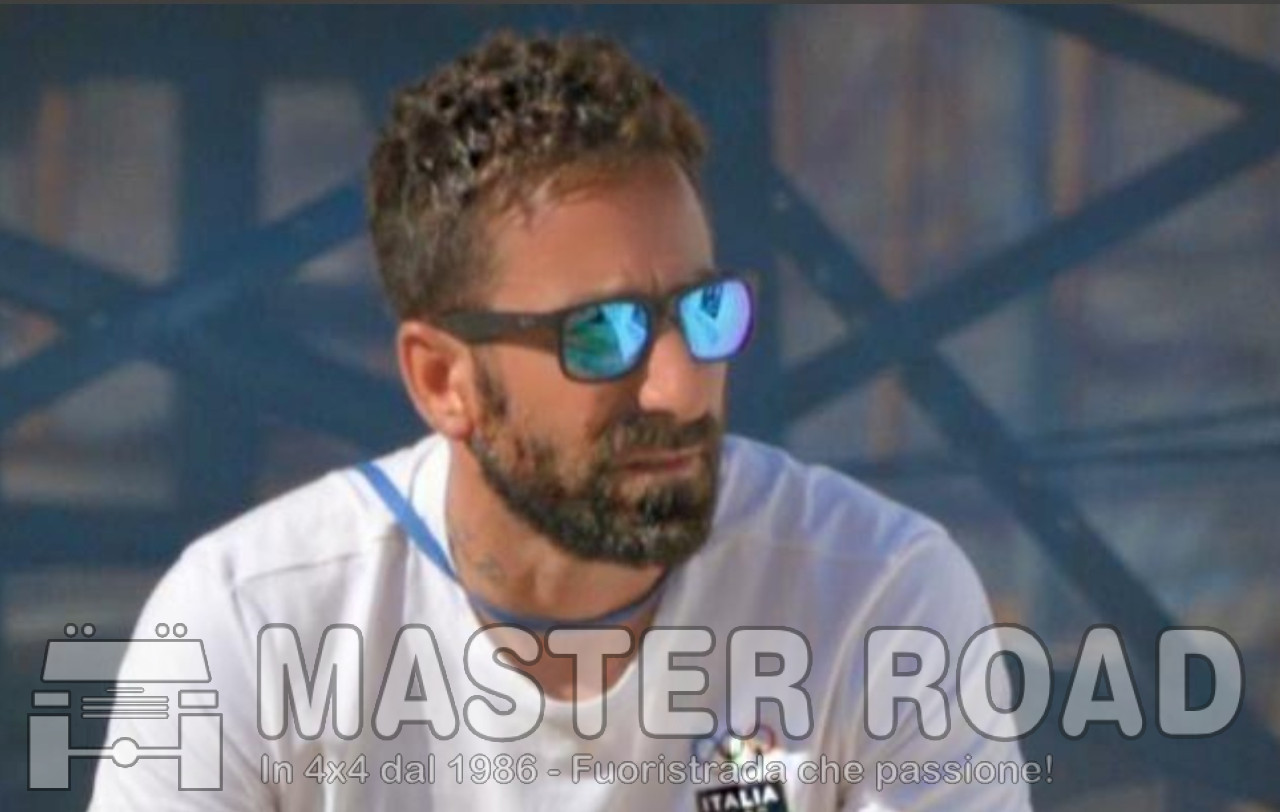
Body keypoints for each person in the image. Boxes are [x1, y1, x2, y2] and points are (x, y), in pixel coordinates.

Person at [88, 31, 1031, 811]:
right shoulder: (246, 620)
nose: (678, 388)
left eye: (705, 313)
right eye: (603, 333)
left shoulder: (877, 594)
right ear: (442, 379)